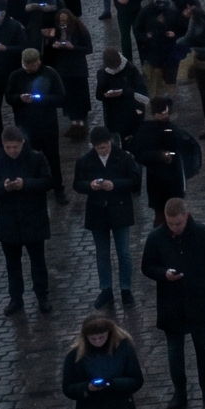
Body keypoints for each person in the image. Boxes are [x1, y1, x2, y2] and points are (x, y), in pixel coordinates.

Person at [141, 197, 205, 409]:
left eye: (178, 223)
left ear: (186, 216)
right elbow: (147, 266)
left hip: (198, 302)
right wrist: (163, 275)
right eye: (170, 223)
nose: (175, 228)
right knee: (174, 351)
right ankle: (180, 392)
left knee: (203, 348)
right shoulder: (156, 237)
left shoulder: (202, 233)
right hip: (171, 304)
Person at [0, 127, 52, 316]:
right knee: (12, 264)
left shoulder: (36, 158)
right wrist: (3, 187)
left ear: (22, 143)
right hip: (8, 221)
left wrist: (25, 184)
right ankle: (16, 298)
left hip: (33, 219)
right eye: (8, 147)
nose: (12, 150)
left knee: (38, 262)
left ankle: (42, 296)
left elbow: (47, 182)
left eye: (15, 146)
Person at [74, 125, 140, 308]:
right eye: (101, 147)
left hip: (119, 211)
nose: (104, 149)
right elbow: (77, 184)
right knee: (102, 254)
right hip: (97, 213)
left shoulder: (124, 157)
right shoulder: (85, 161)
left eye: (106, 145)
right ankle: (106, 289)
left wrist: (115, 185)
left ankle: (126, 289)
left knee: (124, 253)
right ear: (94, 146)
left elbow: (135, 181)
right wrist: (90, 185)